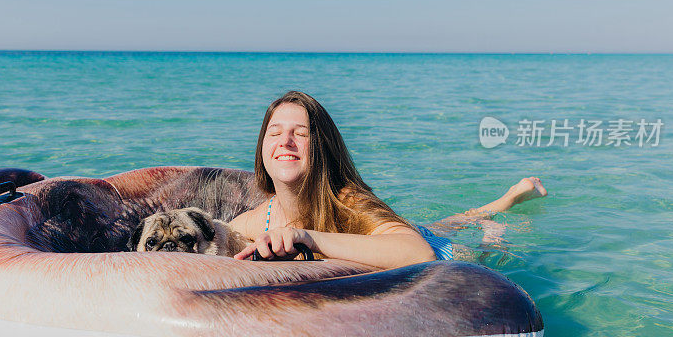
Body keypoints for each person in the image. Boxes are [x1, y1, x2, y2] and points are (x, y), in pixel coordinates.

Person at [230, 91, 546, 269]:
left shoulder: (348, 201)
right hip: (397, 233)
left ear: (323, 148)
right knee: (447, 222)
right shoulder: (261, 219)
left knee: (488, 253)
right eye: (275, 133)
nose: (285, 141)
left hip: (438, 252)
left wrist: (308, 239)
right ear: (262, 148)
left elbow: (420, 254)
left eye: (300, 133)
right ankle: (505, 199)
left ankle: (504, 211)